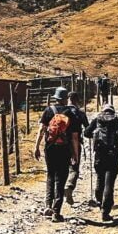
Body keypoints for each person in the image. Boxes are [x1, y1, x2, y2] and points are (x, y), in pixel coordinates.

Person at [34, 87, 81, 222]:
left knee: (50, 175)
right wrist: (75, 154)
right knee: (61, 179)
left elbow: (41, 130)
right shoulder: (70, 113)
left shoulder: (48, 111)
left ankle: (48, 205)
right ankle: (56, 212)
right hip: (64, 149)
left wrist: (36, 147)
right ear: (66, 99)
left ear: (55, 98)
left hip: (50, 148)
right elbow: (74, 137)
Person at [83, 104, 118, 222]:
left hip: (99, 155)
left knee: (100, 179)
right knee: (109, 183)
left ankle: (100, 202)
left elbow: (86, 133)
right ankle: (105, 212)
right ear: (113, 111)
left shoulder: (97, 120)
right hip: (113, 155)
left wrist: (95, 136)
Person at [63, 91, 90, 205]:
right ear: (77, 100)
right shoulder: (80, 113)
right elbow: (88, 129)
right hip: (75, 142)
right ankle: (69, 186)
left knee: (62, 168)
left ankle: (58, 195)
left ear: (68, 99)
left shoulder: (61, 111)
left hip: (59, 143)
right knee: (74, 167)